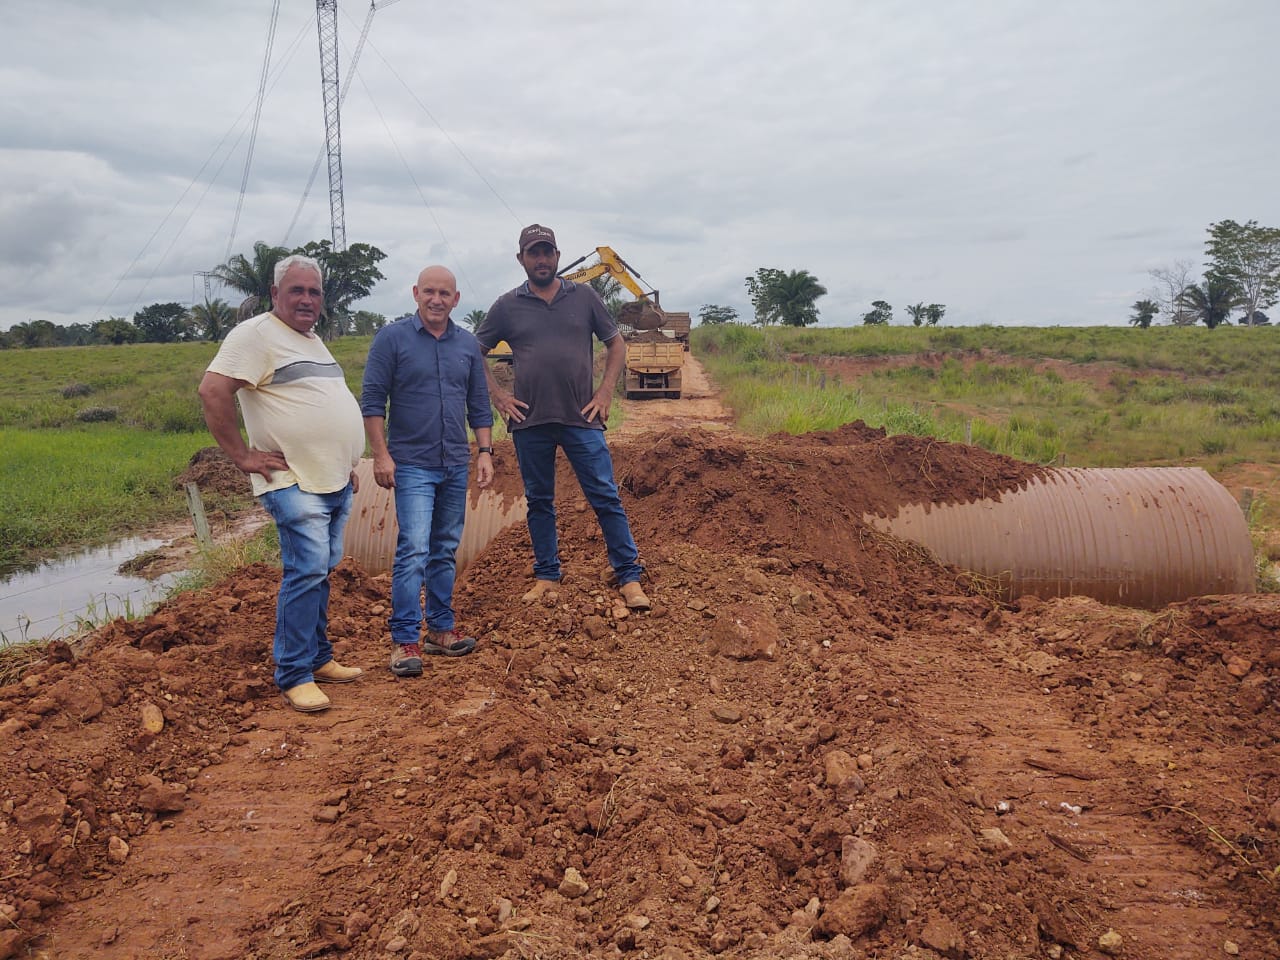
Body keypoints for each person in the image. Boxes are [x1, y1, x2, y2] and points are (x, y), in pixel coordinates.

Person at [198, 254, 366, 714]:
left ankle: (318, 657)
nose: (307, 299)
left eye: (314, 291)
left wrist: (343, 459)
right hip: (291, 481)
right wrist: (241, 456)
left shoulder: (311, 340)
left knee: (322, 570)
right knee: (306, 569)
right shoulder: (255, 335)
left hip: (331, 479)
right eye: (297, 290)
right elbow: (213, 391)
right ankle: (294, 672)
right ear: (275, 294)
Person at [475, 224, 650, 610]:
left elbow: (616, 343)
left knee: (605, 496)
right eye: (533, 253)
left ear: (556, 256)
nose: (541, 259)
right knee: (539, 501)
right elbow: (474, 351)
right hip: (530, 422)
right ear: (521, 259)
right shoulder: (507, 305)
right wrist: (500, 396)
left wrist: (605, 393)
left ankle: (629, 576)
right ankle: (547, 575)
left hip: (580, 419)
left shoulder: (583, 296)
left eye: (547, 252)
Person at [361, 266, 495, 678]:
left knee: (444, 547)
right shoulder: (392, 339)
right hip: (413, 465)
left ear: (456, 300)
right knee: (414, 548)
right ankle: (404, 640)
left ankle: (440, 630)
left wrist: (485, 451)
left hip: (455, 461)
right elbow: (372, 401)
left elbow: (479, 403)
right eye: (430, 292)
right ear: (416, 293)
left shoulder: (467, 345)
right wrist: (381, 456)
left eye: (445, 293)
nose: (437, 299)